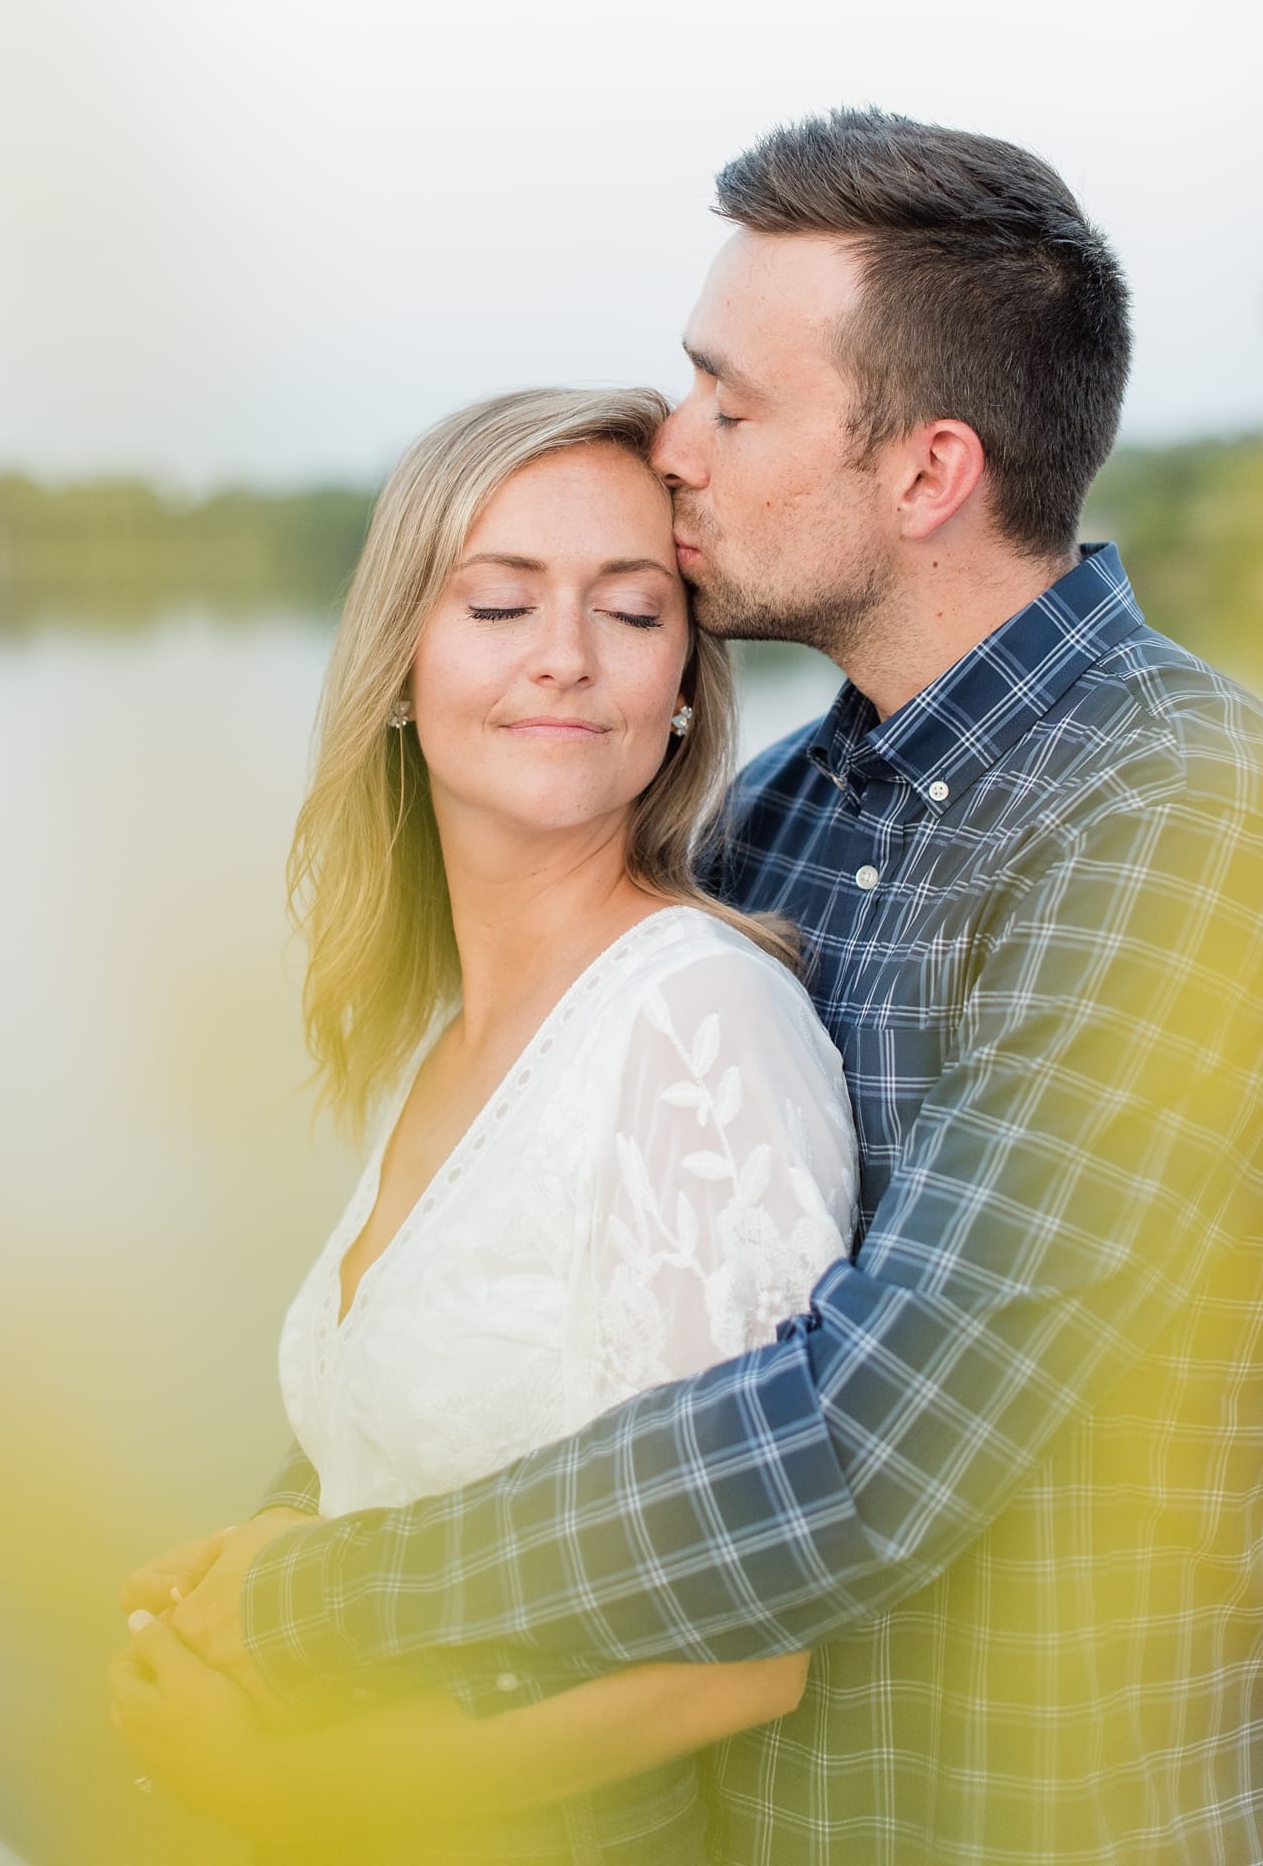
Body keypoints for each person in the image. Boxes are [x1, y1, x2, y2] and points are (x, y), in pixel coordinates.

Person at [121, 112, 1263, 1865]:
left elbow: (873, 1446)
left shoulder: (1180, 823)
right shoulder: (782, 818)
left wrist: (314, 1613)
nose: (680, 444)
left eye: (734, 405)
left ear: (929, 472)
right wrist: (271, 1551)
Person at [111, 385, 861, 1858]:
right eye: (501, 605)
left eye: (633, 615)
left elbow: (749, 1645)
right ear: (401, 659)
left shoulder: (694, 1026)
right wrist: (268, 1554)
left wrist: (322, 1794)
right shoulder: (435, 1028)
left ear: (688, 686)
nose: (566, 661)